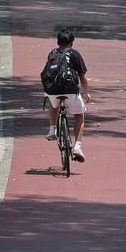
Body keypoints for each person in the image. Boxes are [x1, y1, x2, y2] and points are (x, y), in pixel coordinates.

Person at [43, 29, 91, 162]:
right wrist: (86, 94)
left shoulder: (52, 53)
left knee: (53, 104)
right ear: (72, 43)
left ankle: (52, 130)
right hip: (71, 91)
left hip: (52, 90)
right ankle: (77, 147)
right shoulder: (75, 54)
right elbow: (83, 77)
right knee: (79, 115)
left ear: (58, 42)